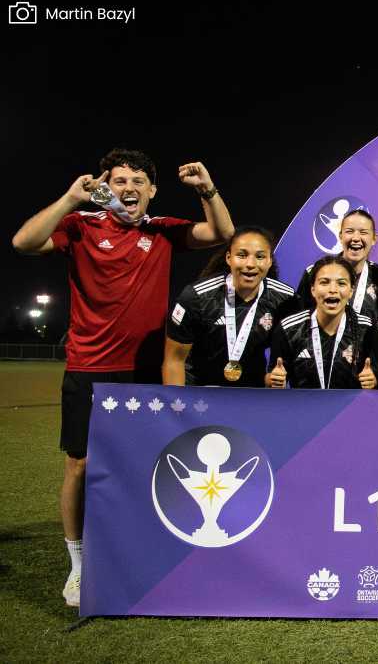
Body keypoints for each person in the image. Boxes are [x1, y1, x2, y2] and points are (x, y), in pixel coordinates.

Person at [11, 148, 234, 607]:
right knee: (80, 465)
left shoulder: (163, 230)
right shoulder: (81, 226)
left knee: (146, 465)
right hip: (89, 366)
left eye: (138, 181)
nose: (128, 188)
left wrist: (207, 189)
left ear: (151, 191)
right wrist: (70, 199)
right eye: (119, 181)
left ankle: (136, 551)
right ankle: (78, 564)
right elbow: (23, 243)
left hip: (145, 370)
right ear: (105, 187)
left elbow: (222, 232)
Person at [164, 226, 295, 387]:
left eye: (260, 257)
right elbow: (174, 360)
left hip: (249, 396)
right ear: (228, 258)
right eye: (242, 255)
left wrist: (272, 379)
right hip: (200, 394)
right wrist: (178, 408)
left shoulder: (285, 299)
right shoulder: (197, 297)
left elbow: (289, 355)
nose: (250, 264)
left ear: (269, 261)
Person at [268, 255, 378, 390]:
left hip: (350, 410)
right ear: (312, 289)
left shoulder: (367, 329)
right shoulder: (288, 329)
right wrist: (273, 380)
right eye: (324, 282)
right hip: (302, 408)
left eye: (341, 283)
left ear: (351, 291)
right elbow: (270, 378)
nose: (332, 289)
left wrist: (373, 381)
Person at [294, 209, 378, 323]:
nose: (355, 238)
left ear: (374, 239)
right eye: (349, 231)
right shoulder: (314, 273)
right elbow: (300, 320)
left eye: (363, 232)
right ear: (340, 236)